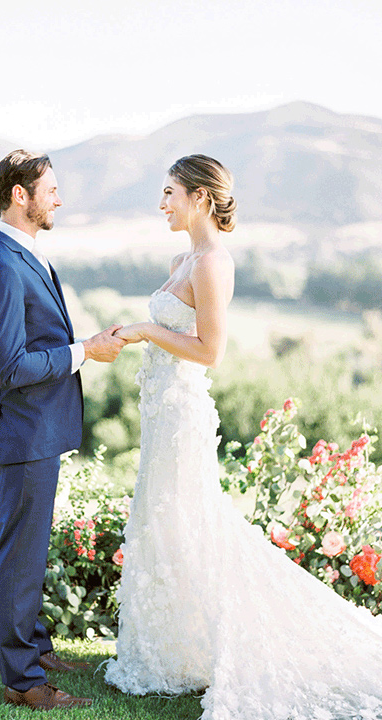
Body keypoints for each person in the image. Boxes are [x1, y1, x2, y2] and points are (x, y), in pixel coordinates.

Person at [105, 154, 382, 719]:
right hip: (163, 413)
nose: (162, 204)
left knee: (189, 519)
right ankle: (173, 650)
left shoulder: (212, 263)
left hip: (183, 412)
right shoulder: (184, 257)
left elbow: (211, 352)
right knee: (164, 521)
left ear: (201, 198)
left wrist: (142, 330)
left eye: (169, 194)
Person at [0, 149, 125, 711]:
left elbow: (35, 341)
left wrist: (84, 347)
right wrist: (85, 351)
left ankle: (32, 641)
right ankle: (23, 680)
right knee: (19, 553)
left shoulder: (24, 255)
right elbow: (10, 368)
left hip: (40, 430)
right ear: (20, 195)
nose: (59, 198)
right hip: (23, 433)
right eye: (51, 189)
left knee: (30, 548)